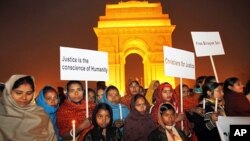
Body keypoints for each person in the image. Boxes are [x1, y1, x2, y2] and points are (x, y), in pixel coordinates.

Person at [0, 75, 57, 140]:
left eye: (29, 93)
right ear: (9, 92)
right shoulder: (2, 114)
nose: (24, 97)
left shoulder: (41, 114)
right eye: (18, 93)